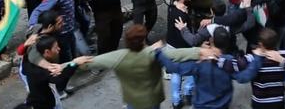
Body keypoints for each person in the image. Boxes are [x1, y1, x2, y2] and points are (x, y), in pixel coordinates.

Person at [80, 24, 218, 109]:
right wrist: (200, 52)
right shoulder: (153, 53)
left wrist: (69, 64)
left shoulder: (119, 57)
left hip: (134, 101)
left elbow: (92, 61)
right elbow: (177, 54)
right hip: (153, 99)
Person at [155, 27, 263, 109]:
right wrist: (257, 58)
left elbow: (176, 68)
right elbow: (244, 77)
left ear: (211, 41)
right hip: (222, 105)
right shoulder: (230, 63)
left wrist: (159, 53)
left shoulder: (201, 62)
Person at [22, 35, 91, 109]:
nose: (59, 49)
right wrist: (74, 63)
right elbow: (60, 82)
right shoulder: (41, 72)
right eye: (56, 48)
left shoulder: (29, 63)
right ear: (47, 52)